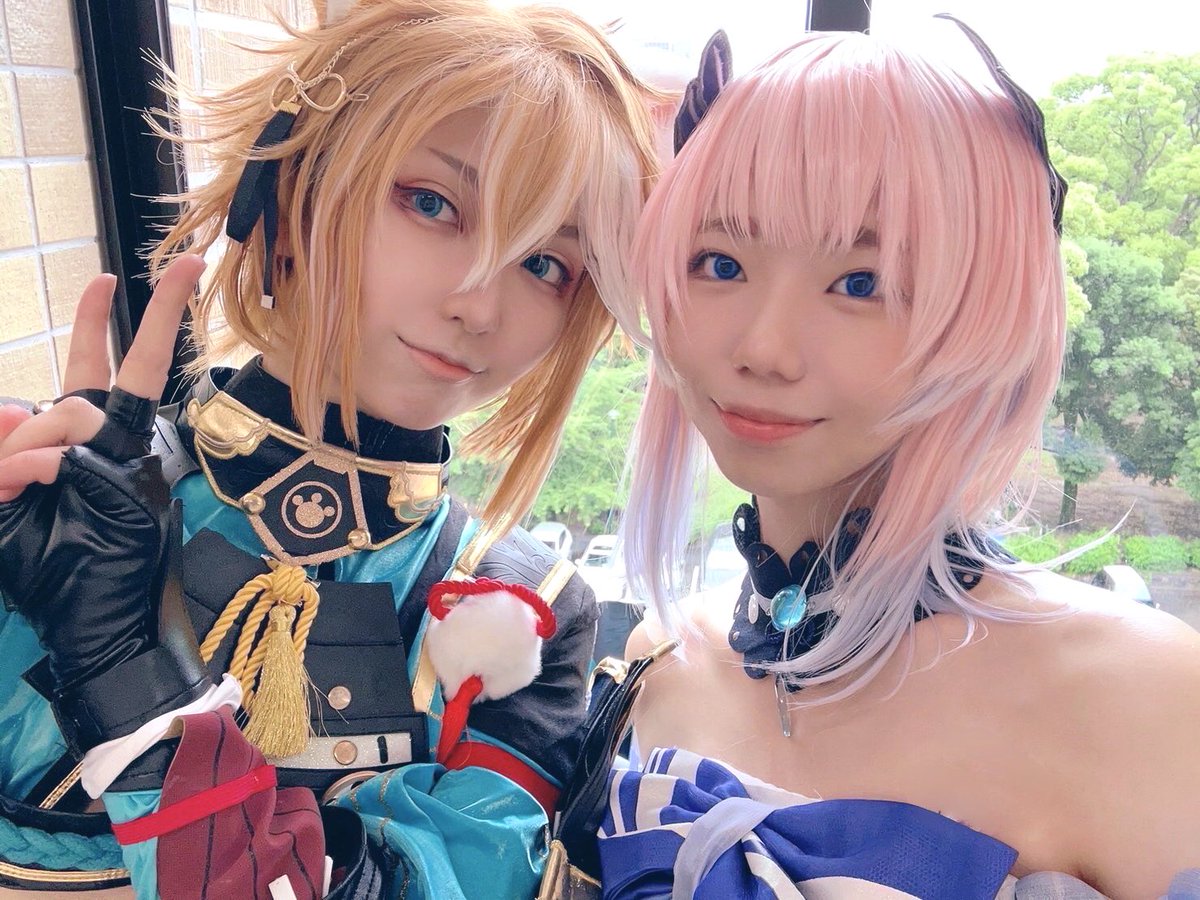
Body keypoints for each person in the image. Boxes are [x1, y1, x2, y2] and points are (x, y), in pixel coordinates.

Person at [0, 1, 660, 897]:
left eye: (546, 264)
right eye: (433, 204)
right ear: (293, 185)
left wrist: (126, 677)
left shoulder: (532, 608)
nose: (480, 305)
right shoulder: (51, 495)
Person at [604, 22, 1200, 899]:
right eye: (720, 263)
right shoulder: (662, 661)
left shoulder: (1144, 696)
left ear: (988, 314)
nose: (763, 348)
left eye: (863, 283)